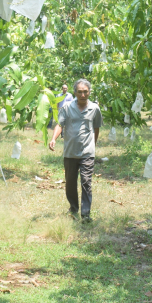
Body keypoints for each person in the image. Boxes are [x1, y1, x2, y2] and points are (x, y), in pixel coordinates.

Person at [48, 79, 103, 222]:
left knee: (86, 181)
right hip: (70, 152)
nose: (83, 95)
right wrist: (54, 138)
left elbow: (96, 128)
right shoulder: (67, 107)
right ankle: (73, 208)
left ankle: (86, 214)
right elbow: (60, 124)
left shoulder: (95, 109)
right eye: (80, 92)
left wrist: (93, 145)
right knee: (70, 182)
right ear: (75, 92)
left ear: (89, 92)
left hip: (87, 153)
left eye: (85, 92)